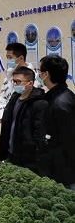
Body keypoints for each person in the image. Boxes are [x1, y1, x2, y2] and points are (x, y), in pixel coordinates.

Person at [0, 66, 48, 174]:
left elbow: (39, 134)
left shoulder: (40, 104)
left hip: (27, 160)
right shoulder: (14, 98)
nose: (15, 84)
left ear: (30, 83)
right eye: (14, 81)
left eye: (18, 82)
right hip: (10, 153)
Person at [38, 55, 75, 188]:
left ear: (46, 75)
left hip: (63, 174)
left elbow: (69, 142)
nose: (37, 74)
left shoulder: (60, 104)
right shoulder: (59, 96)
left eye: (39, 71)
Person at [0, 42, 43, 122]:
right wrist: (3, 116)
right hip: (8, 120)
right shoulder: (8, 76)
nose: (8, 60)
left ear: (21, 58)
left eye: (10, 57)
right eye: (7, 57)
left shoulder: (35, 78)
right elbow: (2, 98)